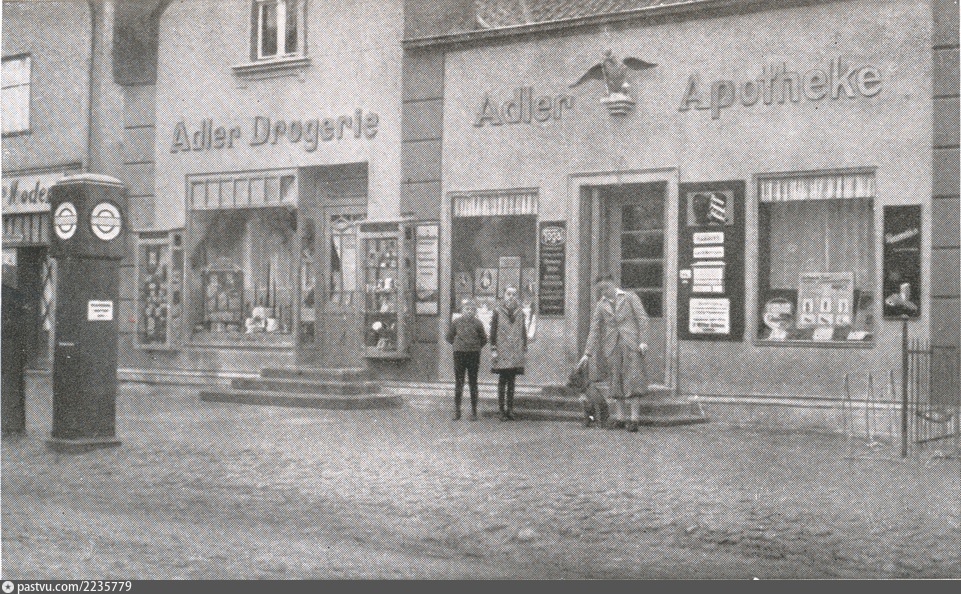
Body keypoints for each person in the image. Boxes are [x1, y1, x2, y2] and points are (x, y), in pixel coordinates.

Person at [579, 275, 649, 432]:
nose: (604, 292)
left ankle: (634, 420)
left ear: (613, 284)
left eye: (606, 288)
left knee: (633, 380)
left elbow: (642, 319)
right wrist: (587, 353)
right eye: (601, 290)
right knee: (616, 381)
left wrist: (643, 341)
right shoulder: (600, 305)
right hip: (612, 346)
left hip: (631, 344)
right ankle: (620, 418)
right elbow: (595, 329)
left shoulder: (630, 297)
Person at [446, 298, 487, 421]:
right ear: (461, 310)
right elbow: (449, 337)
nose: (469, 311)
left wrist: (474, 346)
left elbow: (484, 339)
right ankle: (457, 411)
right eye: (467, 309)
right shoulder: (456, 322)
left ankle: (474, 411)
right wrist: (459, 345)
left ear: (475, 311)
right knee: (459, 383)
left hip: (473, 355)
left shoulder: (478, 323)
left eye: (472, 309)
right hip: (459, 354)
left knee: (473, 383)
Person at [490, 286, 527, 421]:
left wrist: (524, 347)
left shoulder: (520, 312)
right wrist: (494, 349)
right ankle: (501, 410)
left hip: (515, 350)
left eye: (514, 294)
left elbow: (523, 331)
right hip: (502, 350)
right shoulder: (497, 311)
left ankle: (510, 409)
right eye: (508, 294)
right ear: (504, 296)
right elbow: (493, 331)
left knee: (512, 381)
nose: (511, 297)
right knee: (502, 380)